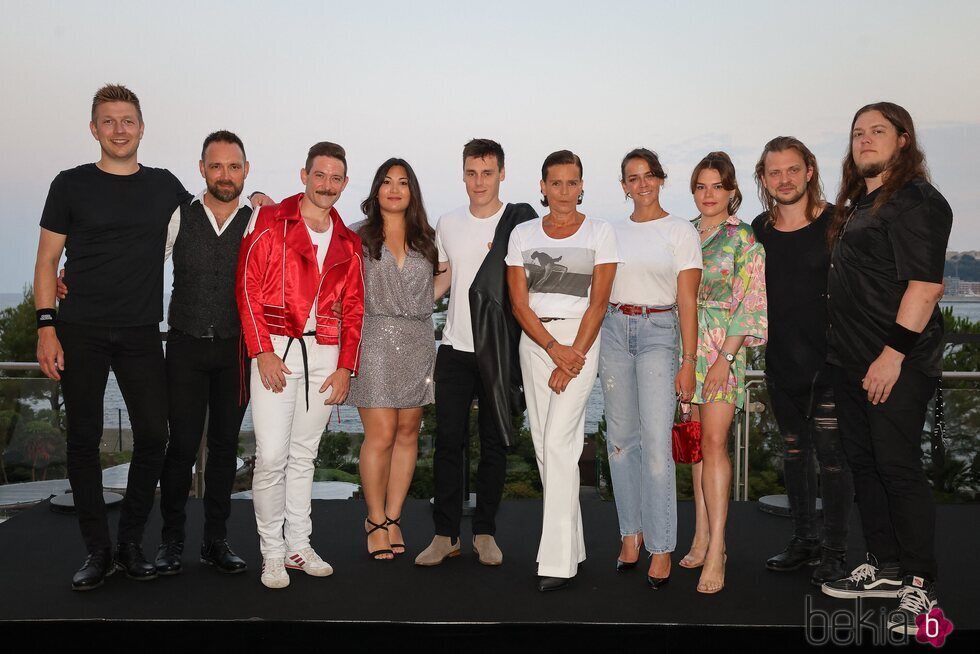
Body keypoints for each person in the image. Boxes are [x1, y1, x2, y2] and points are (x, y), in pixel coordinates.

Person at [34, 84, 190, 590]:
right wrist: (45, 325)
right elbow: (46, 261)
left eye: (127, 121)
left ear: (142, 128)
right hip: (80, 329)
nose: (119, 130)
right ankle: (97, 551)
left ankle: (128, 542)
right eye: (108, 121)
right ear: (93, 129)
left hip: (143, 330)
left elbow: (215, 220)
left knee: (153, 436)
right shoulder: (70, 184)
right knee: (82, 440)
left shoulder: (166, 185)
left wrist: (258, 201)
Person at [819, 103, 951, 636]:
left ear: (903, 140)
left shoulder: (917, 201)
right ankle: (885, 566)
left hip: (895, 363)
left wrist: (893, 355)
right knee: (865, 465)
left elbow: (926, 284)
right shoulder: (859, 204)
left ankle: (919, 585)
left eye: (878, 131)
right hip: (850, 361)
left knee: (897, 468)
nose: (865, 139)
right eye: (857, 133)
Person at [236, 141, 365, 589]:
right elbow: (247, 288)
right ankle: (271, 552)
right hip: (276, 349)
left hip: (324, 355)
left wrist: (346, 366)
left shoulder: (349, 242)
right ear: (304, 175)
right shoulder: (270, 221)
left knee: (303, 455)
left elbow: (355, 309)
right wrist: (262, 351)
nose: (327, 185)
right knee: (271, 456)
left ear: (344, 184)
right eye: (320, 175)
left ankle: (298, 545)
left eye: (336, 178)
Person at [416, 139, 536, 567]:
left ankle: (485, 532)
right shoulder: (447, 222)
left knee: (493, 444)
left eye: (487, 172)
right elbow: (446, 278)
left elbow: (532, 286)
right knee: (447, 443)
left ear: (502, 173)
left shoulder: (520, 226)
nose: (479, 181)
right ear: (462, 174)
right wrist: (407, 312)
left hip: (500, 352)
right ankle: (445, 534)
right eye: (471, 172)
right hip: (454, 349)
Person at [506, 150, 620, 592]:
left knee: (557, 443)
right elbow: (519, 303)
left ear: (582, 186)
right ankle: (574, 545)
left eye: (572, 183)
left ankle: (556, 561)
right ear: (542, 186)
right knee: (546, 447)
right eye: (556, 183)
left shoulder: (600, 232)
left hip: (580, 343)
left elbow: (599, 301)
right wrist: (551, 348)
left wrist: (570, 354)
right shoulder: (523, 233)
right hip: (536, 344)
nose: (564, 191)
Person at [751, 137, 853, 586]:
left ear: (809, 170)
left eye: (792, 170)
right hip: (781, 362)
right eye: (775, 173)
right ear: (764, 179)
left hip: (832, 363)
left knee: (832, 460)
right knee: (794, 454)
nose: (784, 180)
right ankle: (804, 541)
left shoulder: (839, 222)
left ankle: (835, 553)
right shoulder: (760, 229)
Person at [599, 148, 701, 589]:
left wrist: (689, 361)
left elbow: (688, 301)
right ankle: (630, 534)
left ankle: (661, 546)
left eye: (649, 176)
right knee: (621, 442)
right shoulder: (610, 232)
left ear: (660, 179)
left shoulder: (680, 231)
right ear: (623, 186)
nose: (641, 184)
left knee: (657, 445)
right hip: (614, 331)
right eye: (632, 178)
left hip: (659, 330)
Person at [153, 131, 255, 575]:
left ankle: (216, 541)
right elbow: (139, 261)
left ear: (245, 171)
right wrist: (73, 274)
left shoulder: (257, 219)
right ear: (202, 169)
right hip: (185, 344)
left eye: (234, 167)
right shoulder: (179, 215)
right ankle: (171, 542)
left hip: (236, 349)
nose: (225, 175)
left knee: (224, 446)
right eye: (217, 166)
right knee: (180, 447)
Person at [680, 151, 766, 594]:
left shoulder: (743, 238)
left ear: (732, 192)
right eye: (701, 186)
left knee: (714, 444)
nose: (708, 194)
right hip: (684, 349)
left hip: (720, 352)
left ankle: (718, 550)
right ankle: (699, 534)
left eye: (717, 186)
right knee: (694, 446)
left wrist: (724, 360)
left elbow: (751, 304)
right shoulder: (683, 234)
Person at [345, 158, 438, 560]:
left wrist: (423, 302)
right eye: (387, 181)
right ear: (376, 190)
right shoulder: (355, 236)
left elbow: (446, 274)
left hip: (418, 338)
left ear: (412, 191)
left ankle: (394, 517)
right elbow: (334, 280)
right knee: (381, 432)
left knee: (408, 431)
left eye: (403, 182)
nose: (395, 189)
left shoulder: (427, 239)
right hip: (374, 338)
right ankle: (375, 517)